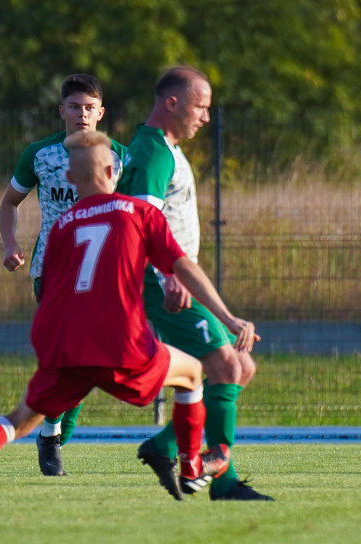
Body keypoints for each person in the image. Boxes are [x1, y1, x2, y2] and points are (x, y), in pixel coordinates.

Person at [0, 130, 260, 502]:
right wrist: (229, 318)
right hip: (122, 345)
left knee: (17, 421)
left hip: (67, 347)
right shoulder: (139, 213)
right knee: (193, 374)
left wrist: (50, 351)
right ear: (113, 170)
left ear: (70, 178)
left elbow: (53, 295)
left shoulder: (62, 227)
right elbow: (181, 267)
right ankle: (190, 469)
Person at [115, 66, 273, 501]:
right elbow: (141, 227)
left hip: (178, 276)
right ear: (172, 103)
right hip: (164, 283)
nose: (205, 116)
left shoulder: (167, 148)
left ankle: (166, 447)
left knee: (241, 366)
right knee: (227, 366)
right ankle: (217, 468)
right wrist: (167, 278)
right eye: (200, 106)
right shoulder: (151, 153)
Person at [0, 73, 126, 477]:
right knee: (65, 354)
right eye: (74, 106)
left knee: (92, 361)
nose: (82, 114)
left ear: (101, 112)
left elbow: (140, 210)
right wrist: (9, 243)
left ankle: (53, 433)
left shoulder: (120, 155)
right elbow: (9, 203)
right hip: (51, 269)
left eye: (90, 108)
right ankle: (51, 436)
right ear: (62, 111)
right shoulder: (39, 154)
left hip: (103, 270)